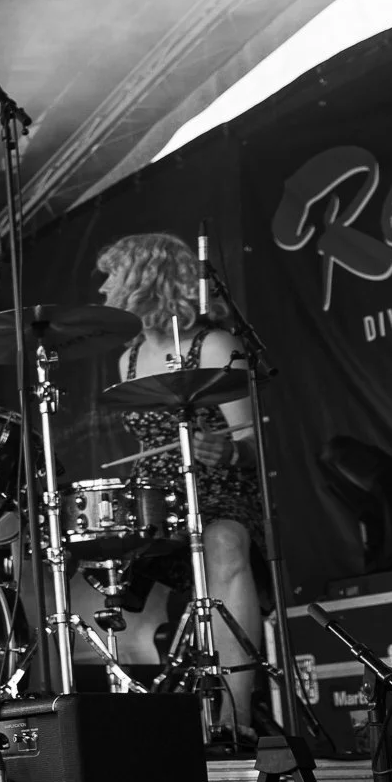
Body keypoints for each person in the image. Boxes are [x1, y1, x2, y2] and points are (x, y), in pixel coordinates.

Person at [97, 233, 265, 742]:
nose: (103, 289)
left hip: (220, 488)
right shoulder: (127, 358)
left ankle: (235, 715)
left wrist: (227, 451)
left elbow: (253, 441)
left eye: (112, 276)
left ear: (144, 278)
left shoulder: (213, 345)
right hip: (158, 499)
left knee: (224, 542)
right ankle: (146, 715)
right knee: (112, 566)